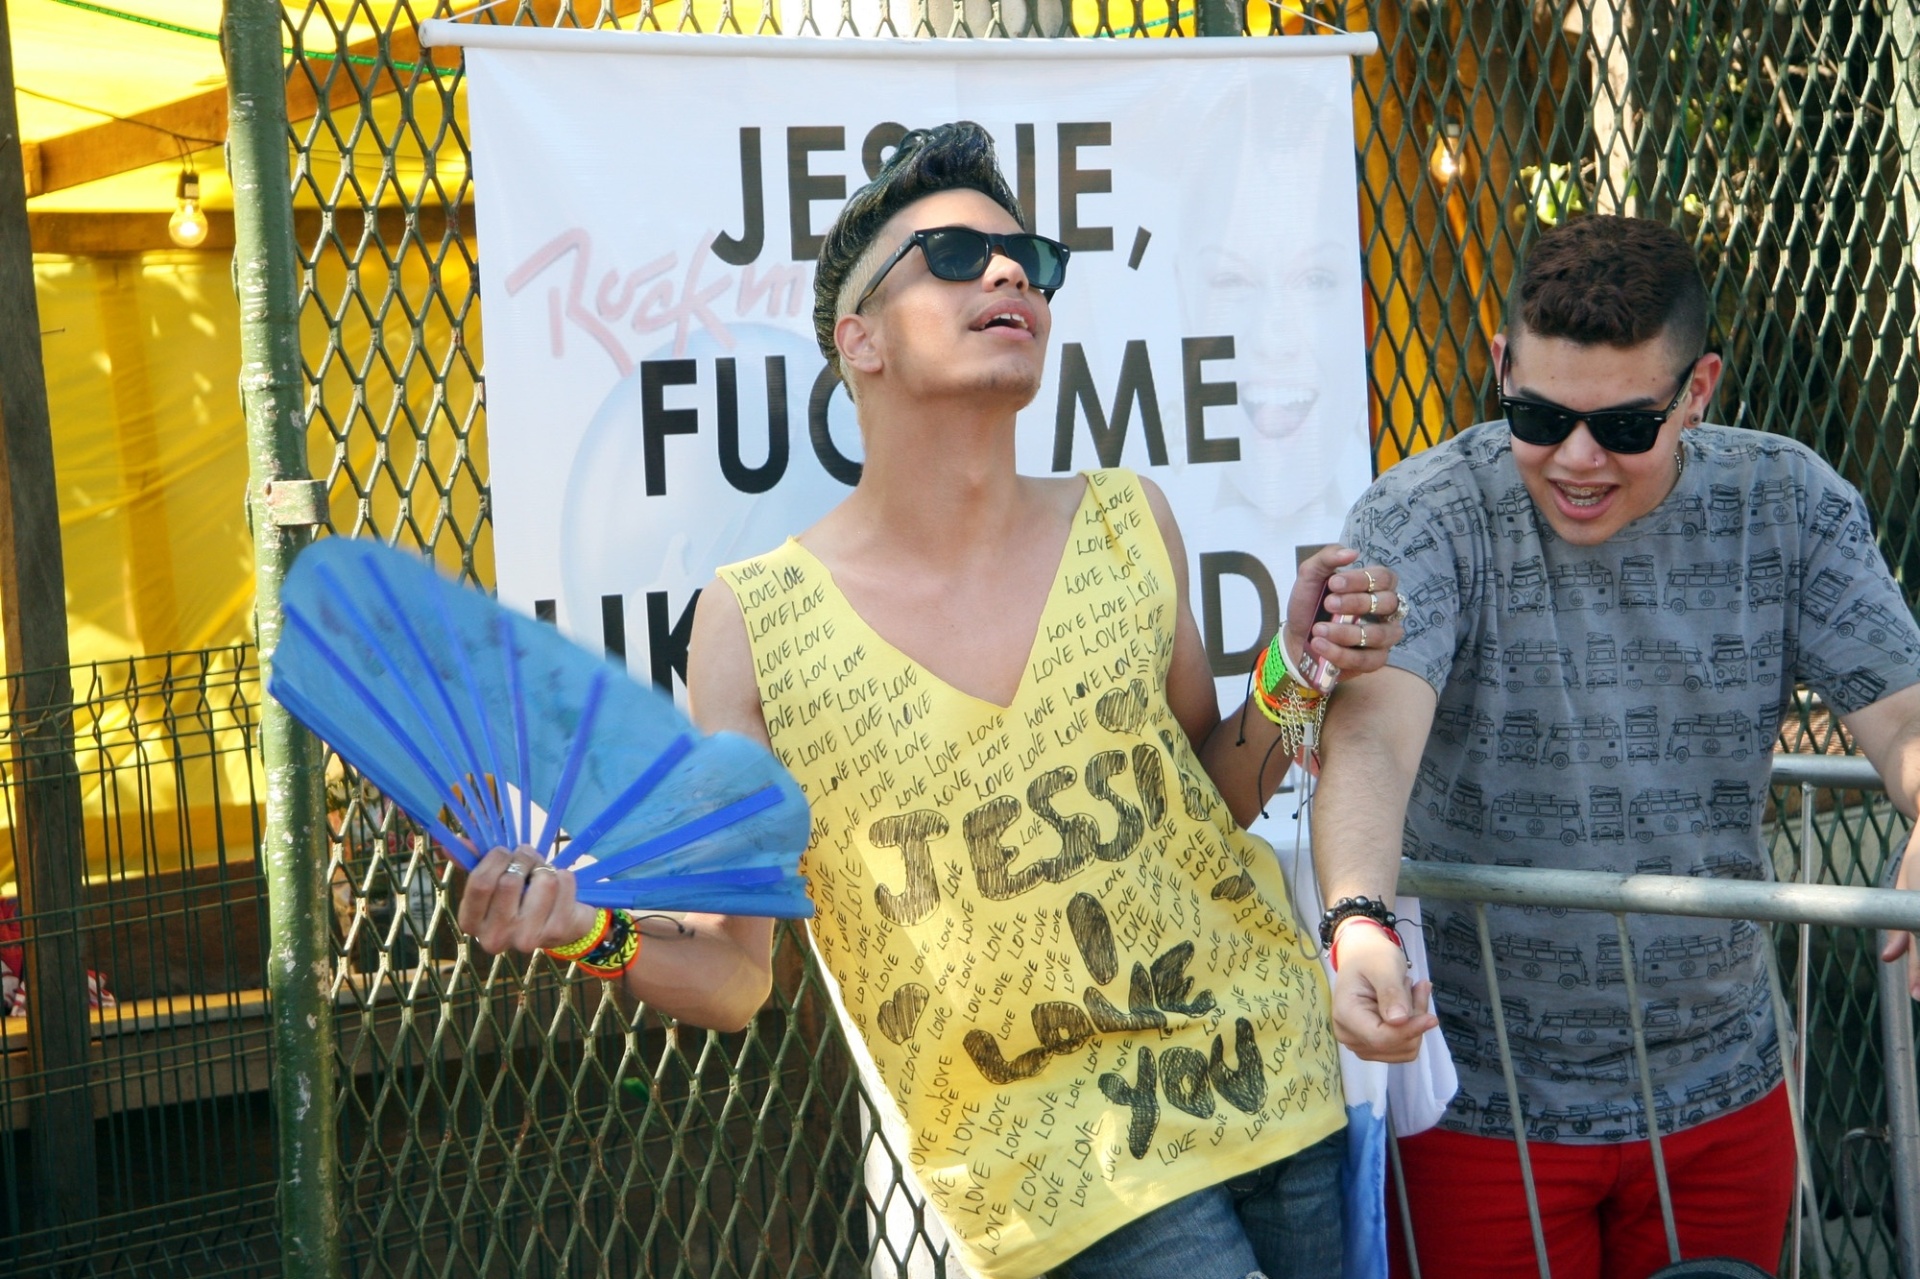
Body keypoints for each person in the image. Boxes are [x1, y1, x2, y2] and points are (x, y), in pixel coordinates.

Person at [457, 121, 1408, 1279]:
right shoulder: (753, 623)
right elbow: (733, 970)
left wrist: (1291, 670)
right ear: (858, 338)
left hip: (1282, 1079)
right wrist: (584, 929)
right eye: (955, 256)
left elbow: (1208, 787)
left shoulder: (1127, 520)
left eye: (1030, 261)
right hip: (1062, 1168)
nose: (1010, 273)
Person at [1312, 214, 1920, 1279]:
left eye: (1625, 427)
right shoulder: (1426, 513)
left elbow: (1905, 715)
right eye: (1539, 415)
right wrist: (1358, 918)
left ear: (1700, 390)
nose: (1579, 459)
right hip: (1480, 1101)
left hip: (1721, 1085)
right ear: (1500, 365)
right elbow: (1372, 738)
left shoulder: (1787, 502)